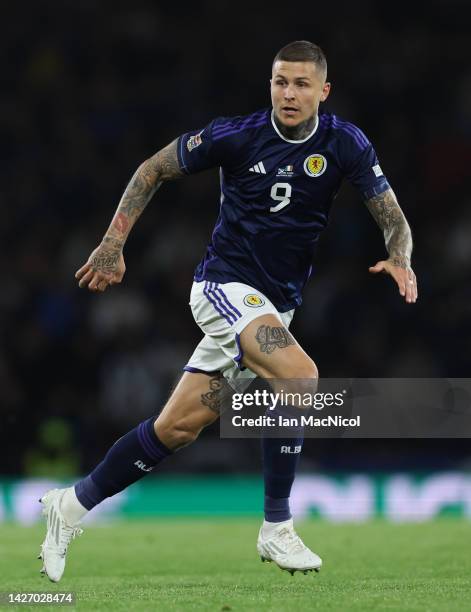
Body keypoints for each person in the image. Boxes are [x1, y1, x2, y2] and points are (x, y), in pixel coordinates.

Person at [38, 40, 417, 582]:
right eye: (280, 81)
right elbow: (151, 170)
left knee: (177, 428)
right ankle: (277, 527)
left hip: (274, 307)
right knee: (301, 378)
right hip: (224, 289)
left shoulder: (345, 143)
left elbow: (392, 216)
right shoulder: (234, 135)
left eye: (301, 84)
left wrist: (400, 256)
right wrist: (112, 243)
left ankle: (69, 507)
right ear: (270, 84)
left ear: (323, 92)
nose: (288, 93)